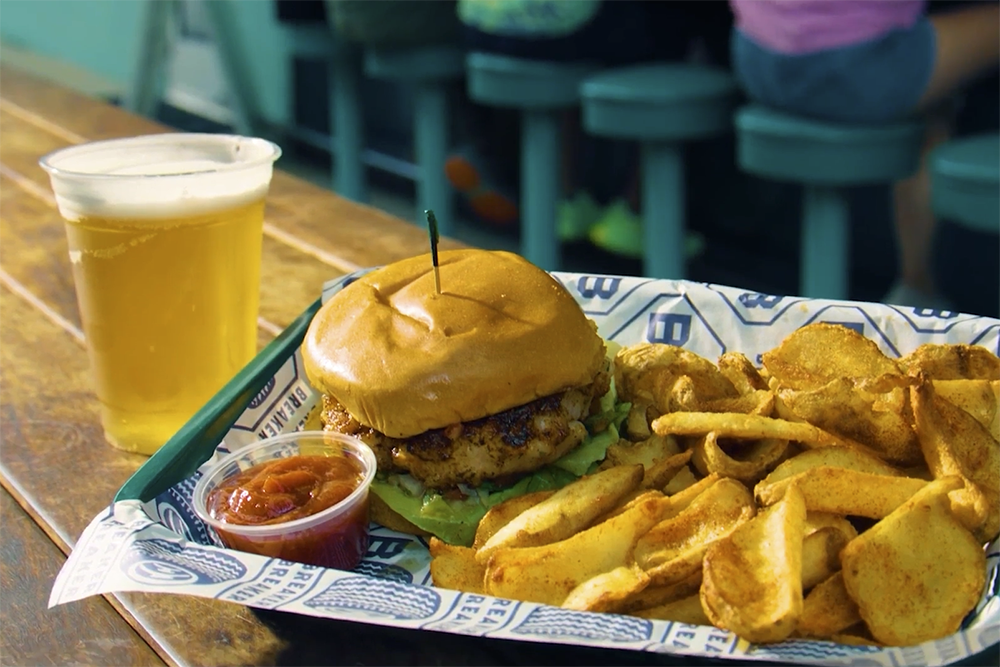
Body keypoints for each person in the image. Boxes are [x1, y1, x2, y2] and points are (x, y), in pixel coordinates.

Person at [730, 0, 1000, 308]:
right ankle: (919, 291)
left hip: (755, 53)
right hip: (849, 69)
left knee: (935, 104)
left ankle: (918, 294)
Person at [447, 0, 712, 258]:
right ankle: (637, 213)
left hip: (476, 25)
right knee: (675, 25)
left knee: (569, 54)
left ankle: (566, 199)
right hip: (559, 29)